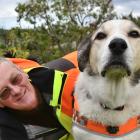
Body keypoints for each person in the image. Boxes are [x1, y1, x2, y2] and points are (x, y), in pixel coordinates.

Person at [0, 51, 79, 140]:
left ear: (22, 72)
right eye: (4, 92)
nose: (16, 91)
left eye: (16, 79)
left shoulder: (67, 75)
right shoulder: (7, 131)